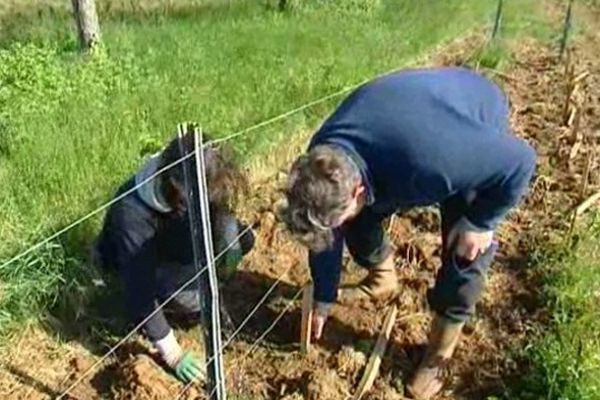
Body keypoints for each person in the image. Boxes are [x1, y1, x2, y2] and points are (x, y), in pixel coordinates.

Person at [278, 67, 536, 399]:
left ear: (357, 191)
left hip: (469, 120)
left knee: (465, 248)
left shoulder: (436, 163)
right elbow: (324, 231)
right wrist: (324, 294)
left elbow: (520, 160)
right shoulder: (321, 158)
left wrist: (482, 221)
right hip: (408, 120)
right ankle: (382, 279)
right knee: (354, 221)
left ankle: (438, 356)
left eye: (334, 221)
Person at [93, 127, 255, 383]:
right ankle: (180, 304)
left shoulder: (194, 172)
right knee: (191, 300)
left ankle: (206, 277)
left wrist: (230, 248)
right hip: (145, 265)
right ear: (179, 191)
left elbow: (220, 211)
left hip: (175, 240)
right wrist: (173, 354)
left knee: (243, 239)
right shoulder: (131, 216)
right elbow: (141, 293)